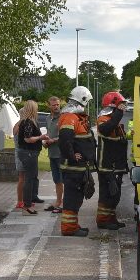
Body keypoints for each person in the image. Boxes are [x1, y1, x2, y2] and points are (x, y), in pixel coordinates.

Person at [58, 86, 96, 237]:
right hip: (73, 168)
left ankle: (73, 225)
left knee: (76, 198)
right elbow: (64, 141)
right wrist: (73, 156)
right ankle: (68, 228)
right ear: (83, 99)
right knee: (72, 198)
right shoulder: (69, 117)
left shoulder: (75, 117)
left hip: (78, 168)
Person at [96, 91, 129, 230]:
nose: (123, 107)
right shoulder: (103, 119)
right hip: (107, 165)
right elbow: (107, 128)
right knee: (107, 194)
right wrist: (119, 113)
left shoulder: (114, 119)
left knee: (115, 195)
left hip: (116, 165)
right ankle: (102, 220)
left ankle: (111, 218)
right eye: (121, 105)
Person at [17, 100, 49, 215]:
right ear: (32, 109)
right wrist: (41, 137)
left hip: (30, 152)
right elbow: (28, 139)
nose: (37, 110)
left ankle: (30, 201)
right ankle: (27, 206)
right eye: (36, 108)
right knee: (29, 179)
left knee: (32, 177)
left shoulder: (29, 121)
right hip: (28, 153)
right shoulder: (28, 122)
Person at [42, 96, 63, 213]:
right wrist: (46, 142)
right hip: (52, 154)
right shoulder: (48, 118)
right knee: (56, 180)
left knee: (63, 179)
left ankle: (61, 203)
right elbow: (49, 134)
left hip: (61, 154)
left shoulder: (63, 117)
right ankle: (58, 202)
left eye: (58, 105)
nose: (56, 107)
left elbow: (66, 136)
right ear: (49, 106)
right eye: (54, 105)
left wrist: (53, 140)